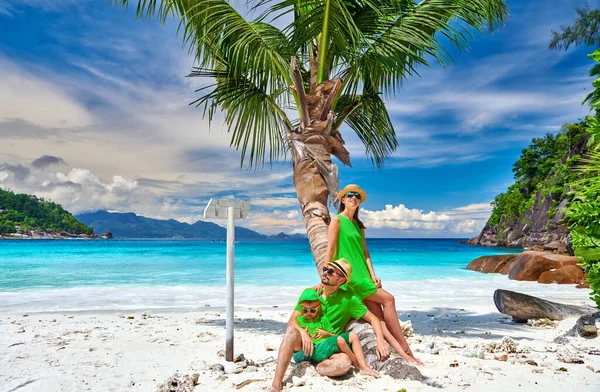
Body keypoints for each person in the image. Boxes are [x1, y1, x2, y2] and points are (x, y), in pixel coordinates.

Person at [325, 184, 422, 365]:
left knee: (378, 318)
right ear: (343, 199)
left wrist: (373, 275)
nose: (354, 197)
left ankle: (404, 354)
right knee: (389, 299)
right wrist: (326, 278)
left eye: (357, 196)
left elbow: (365, 253)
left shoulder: (359, 226)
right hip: (351, 278)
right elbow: (329, 250)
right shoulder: (337, 220)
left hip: (364, 276)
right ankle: (404, 344)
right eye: (350, 195)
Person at [268, 258, 389, 392]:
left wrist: (380, 342)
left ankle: (318, 366)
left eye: (331, 272)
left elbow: (374, 319)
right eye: (325, 269)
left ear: (341, 280)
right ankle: (276, 383)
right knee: (291, 332)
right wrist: (303, 333)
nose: (325, 273)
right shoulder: (311, 293)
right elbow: (292, 321)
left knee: (344, 363)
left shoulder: (348, 300)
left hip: (326, 350)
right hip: (302, 347)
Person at [292, 288, 379, 378]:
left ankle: (363, 364)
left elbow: (333, 335)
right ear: (302, 308)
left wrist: (326, 334)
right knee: (340, 341)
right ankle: (359, 366)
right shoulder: (299, 320)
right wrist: (302, 333)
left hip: (326, 346)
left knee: (352, 336)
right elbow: (293, 330)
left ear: (318, 308)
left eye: (312, 310)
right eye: (305, 311)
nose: (308, 313)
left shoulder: (323, 320)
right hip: (314, 349)